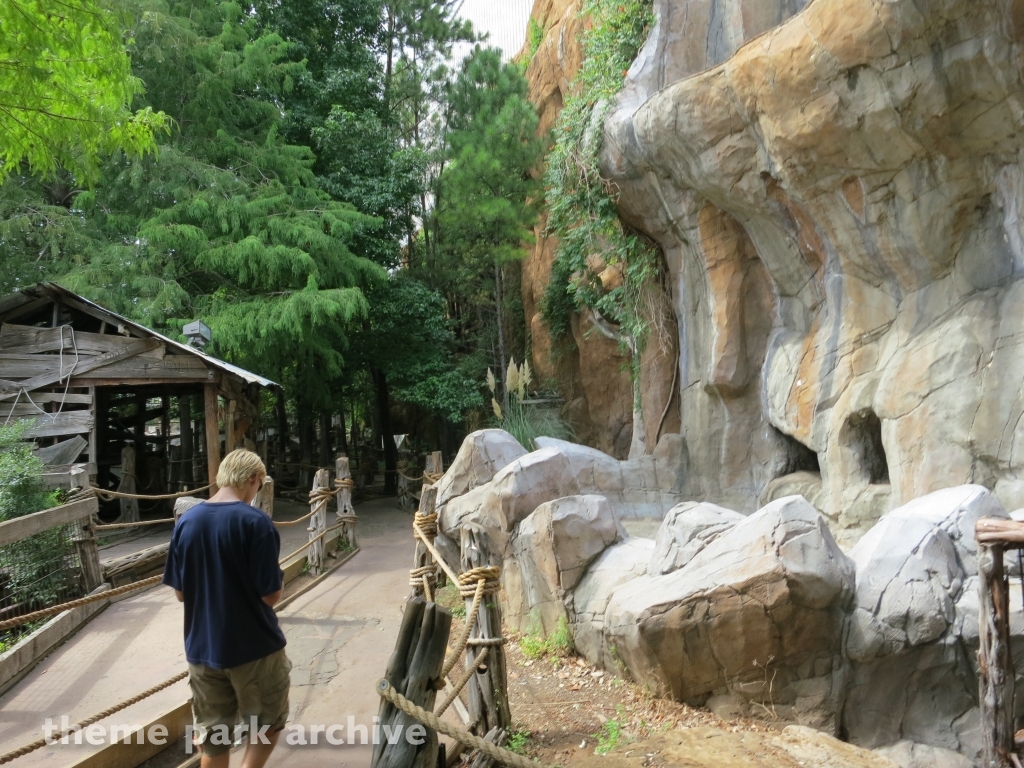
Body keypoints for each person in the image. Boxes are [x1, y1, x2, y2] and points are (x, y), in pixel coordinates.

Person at [163, 449, 290, 768]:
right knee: (268, 723)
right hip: (254, 648)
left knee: (214, 739)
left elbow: (180, 594)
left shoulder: (187, 522)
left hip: (202, 650)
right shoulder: (256, 522)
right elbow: (270, 595)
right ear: (252, 479)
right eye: (259, 485)